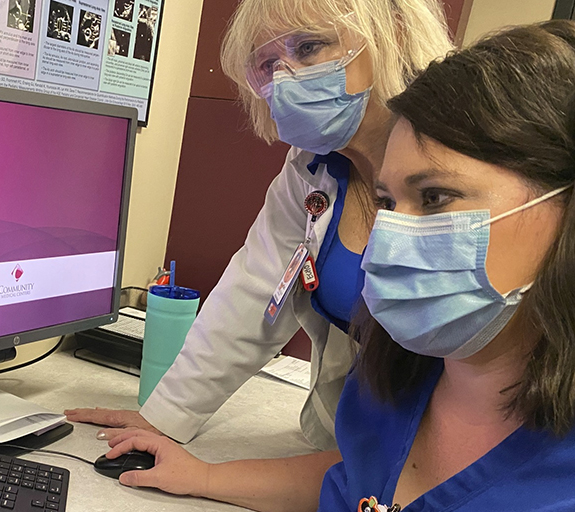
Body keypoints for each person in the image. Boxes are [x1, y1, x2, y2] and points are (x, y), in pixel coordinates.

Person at [103, 20, 575, 512]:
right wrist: (201, 469)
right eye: (386, 204)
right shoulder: (391, 390)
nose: (389, 243)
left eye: (436, 198)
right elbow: (356, 481)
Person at [66, 0, 453, 450]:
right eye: (269, 65)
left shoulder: (467, 165)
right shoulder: (313, 168)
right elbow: (255, 291)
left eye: (308, 47)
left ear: (396, 33)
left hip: (463, 458)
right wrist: (167, 416)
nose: (285, 81)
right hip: (357, 451)